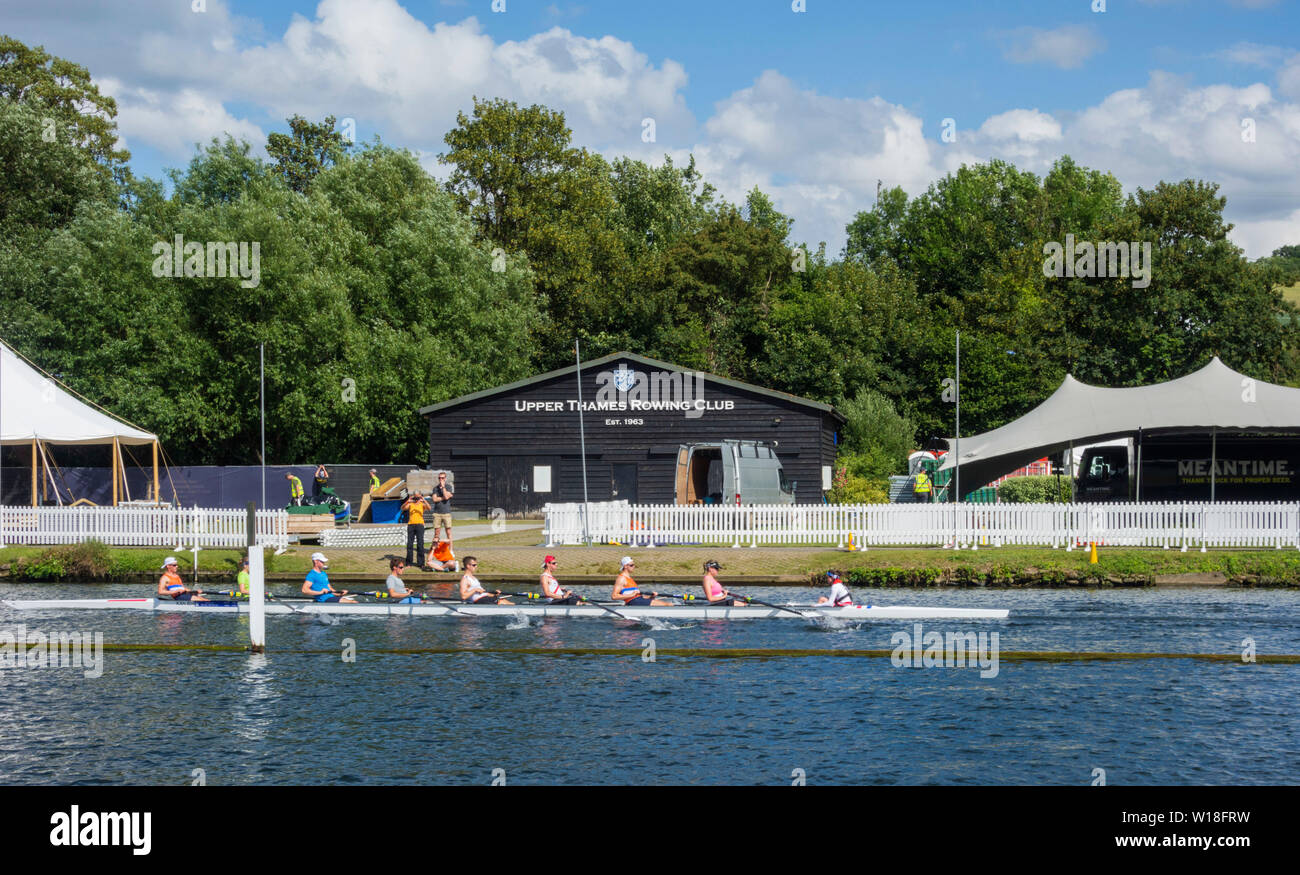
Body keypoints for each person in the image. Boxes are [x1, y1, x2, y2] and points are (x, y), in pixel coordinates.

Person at [401, 492, 431, 568]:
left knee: (420, 544)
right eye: (415, 497)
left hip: (420, 525)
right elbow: (402, 508)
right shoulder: (410, 504)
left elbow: (429, 508)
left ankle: (421, 563)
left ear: (420, 497)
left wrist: (424, 500)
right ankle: (409, 563)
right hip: (411, 525)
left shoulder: (422, 504)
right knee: (410, 544)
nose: (417, 499)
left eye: (418, 497)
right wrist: (408, 500)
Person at [430, 472, 454, 549]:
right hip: (437, 513)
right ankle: (435, 549)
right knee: (436, 533)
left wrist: (443, 488)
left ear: (445, 478)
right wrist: (443, 497)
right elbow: (434, 499)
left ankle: (451, 550)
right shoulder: (435, 488)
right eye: (439, 478)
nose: (441, 479)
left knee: (448, 532)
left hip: (446, 513)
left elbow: (447, 497)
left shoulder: (448, 487)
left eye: (442, 478)